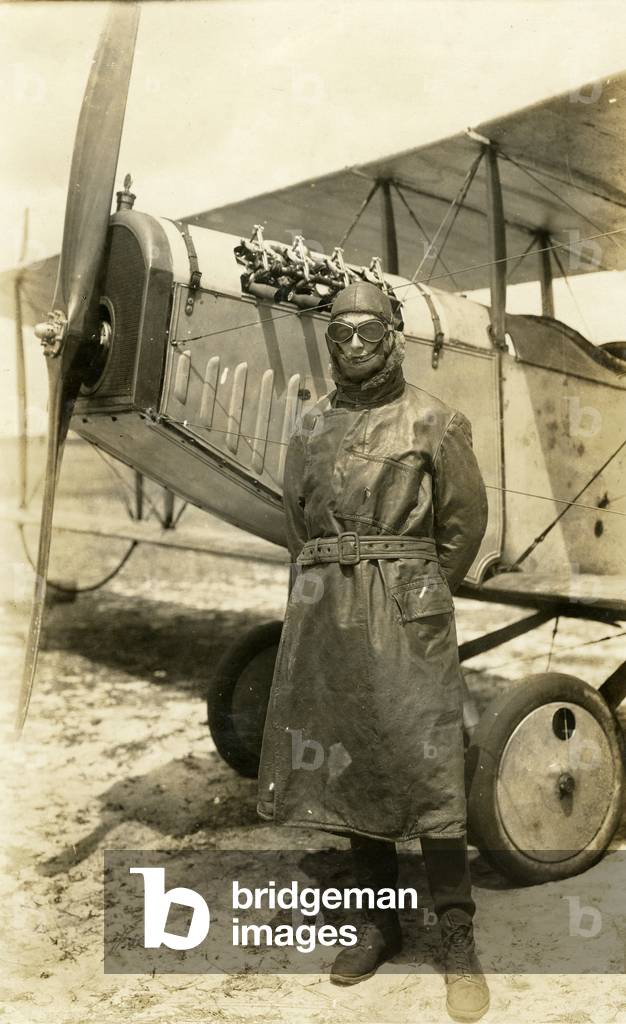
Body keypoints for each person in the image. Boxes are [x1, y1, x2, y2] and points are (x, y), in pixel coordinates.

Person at [257, 281, 490, 1022]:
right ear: (332, 342)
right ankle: (378, 923)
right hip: (331, 612)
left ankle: (457, 938)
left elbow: (464, 523)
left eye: (368, 333)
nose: (355, 347)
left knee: (429, 768)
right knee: (355, 763)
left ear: (393, 335)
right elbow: (298, 523)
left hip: (407, 605)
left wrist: (415, 588)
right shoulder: (311, 423)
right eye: (342, 335)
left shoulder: (434, 420)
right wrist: (338, 577)